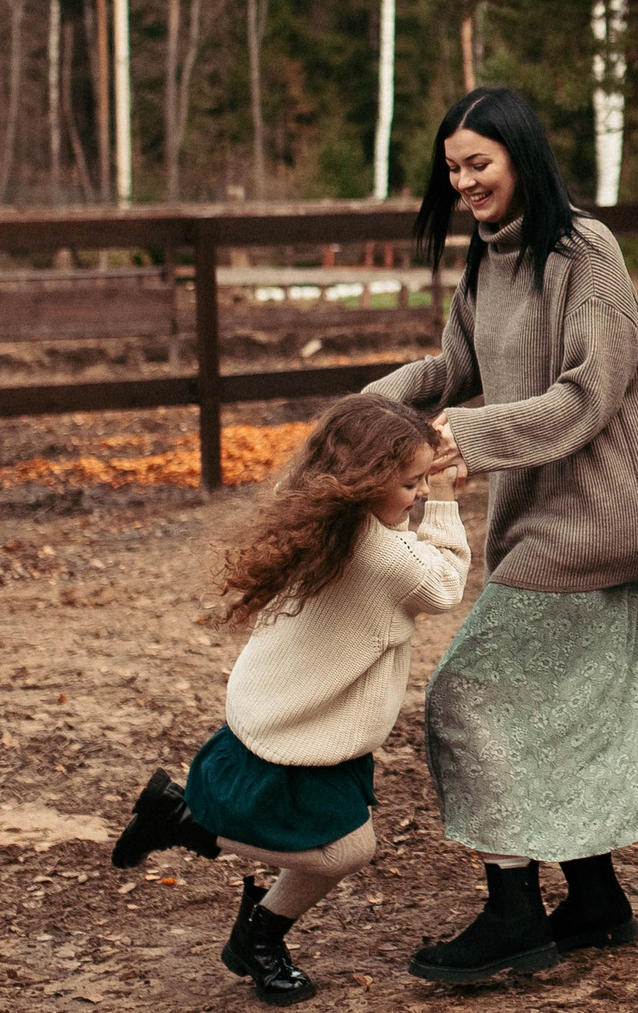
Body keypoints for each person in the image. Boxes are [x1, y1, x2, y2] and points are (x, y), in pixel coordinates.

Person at [366, 85, 638, 986]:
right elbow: (455, 367)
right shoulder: (489, 262)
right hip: (539, 516)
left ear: (521, 155)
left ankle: (515, 914)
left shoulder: (581, 251)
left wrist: (466, 439)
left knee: (467, 694)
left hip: (596, 516)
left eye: (478, 162)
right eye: (453, 168)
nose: (465, 180)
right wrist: (369, 407)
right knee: (549, 710)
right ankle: (597, 900)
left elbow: (590, 391)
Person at [107, 394, 473, 1006]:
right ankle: (185, 822)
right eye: (409, 483)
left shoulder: (327, 520)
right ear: (369, 481)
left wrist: (417, 484)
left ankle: (258, 940)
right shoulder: (382, 555)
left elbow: (399, 551)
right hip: (301, 735)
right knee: (343, 852)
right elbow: (441, 583)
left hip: (297, 718)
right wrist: (447, 500)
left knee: (336, 850)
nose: (416, 494)